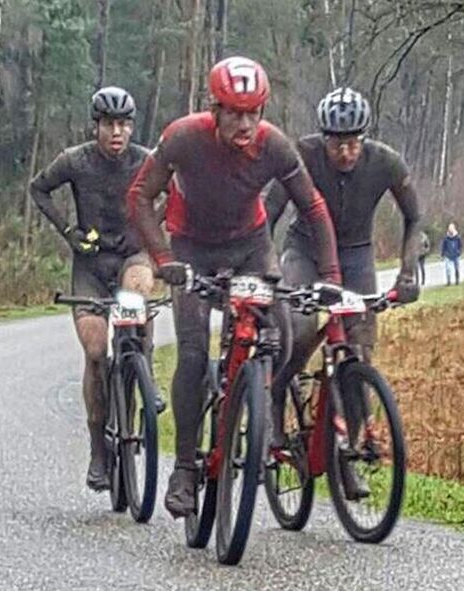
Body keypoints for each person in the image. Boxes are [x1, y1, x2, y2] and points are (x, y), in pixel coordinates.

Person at [126, 56, 341, 518]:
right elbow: (140, 197)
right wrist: (164, 259)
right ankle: (184, 467)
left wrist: (331, 278)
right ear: (215, 109)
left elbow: (314, 208)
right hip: (191, 248)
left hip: (250, 246)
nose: (245, 124)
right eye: (234, 112)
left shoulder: (275, 145)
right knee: (188, 351)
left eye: (254, 112)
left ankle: (260, 409)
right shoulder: (183, 137)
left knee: (281, 340)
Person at [265, 86, 420, 499]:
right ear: (324, 139)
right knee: (298, 328)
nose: (346, 153)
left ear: (364, 139)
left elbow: (415, 218)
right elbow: (271, 213)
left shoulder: (385, 162)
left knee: (357, 353)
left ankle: (348, 454)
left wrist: (407, 271)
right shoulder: (305, 155)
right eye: (337, 144)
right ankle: (277, 397)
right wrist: (264, 269)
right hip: (304, 251)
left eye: (353, 144)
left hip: (356, 256)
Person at [29, 86, 154, 492]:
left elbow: (178, 193)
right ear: (96, 126)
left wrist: (154, 234)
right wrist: (69, 232)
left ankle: (145, 379)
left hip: (132, 256)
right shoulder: (75, 160)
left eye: (124, 125)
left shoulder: (146, 161)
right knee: (97, 352)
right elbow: (39, 188)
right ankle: (99, 449)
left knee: (137, 299)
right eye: (109, 125)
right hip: (91, 265)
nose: (117, 133)